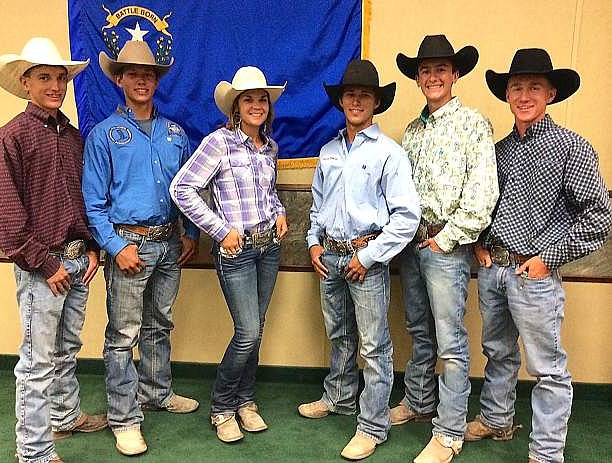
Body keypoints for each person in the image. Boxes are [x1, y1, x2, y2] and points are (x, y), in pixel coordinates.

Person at [466, 48, 612, 463]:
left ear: (550, 93)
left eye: (533, 87)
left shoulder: (572, 148)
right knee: (497, 351)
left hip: (535, 274)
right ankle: (496, 418)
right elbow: (487, 203)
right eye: (516, 87)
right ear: (507, 95)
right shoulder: (498, 151)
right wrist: (481, 240)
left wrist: (550, 257)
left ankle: (546, 452)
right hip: (495, 269)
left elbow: (599, 217)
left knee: (546, 367)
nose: (524, 95)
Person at [81, 39, 200, 456]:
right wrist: (114, 246)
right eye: (132, 73)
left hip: (169, 243)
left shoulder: (175, 134)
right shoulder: (103, 136)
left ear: (157, 80)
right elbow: (93, 202)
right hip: (128, 245)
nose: (141, 80)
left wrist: (191, 234)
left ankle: (156, 391)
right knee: (122, 333)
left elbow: (190, 190)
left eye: (148, 73)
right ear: (118, 79)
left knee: (159, 323)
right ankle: (124, 417)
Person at [0, 37, 108, 463]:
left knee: (66, 347)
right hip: (43, 264)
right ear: (25, 83)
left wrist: (92, 248)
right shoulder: (11, 137)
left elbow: (83, 199)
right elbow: (5, 212)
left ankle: (64, 414)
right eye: (45, 77)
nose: (55, 85)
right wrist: (43, 263)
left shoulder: (74, 139)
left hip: (78, 259)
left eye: (60, 77)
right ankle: (34, 451)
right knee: (38, 360)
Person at [299, 59, 420, 460]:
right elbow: (318, 206)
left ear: (375, 102)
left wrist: (368, 257)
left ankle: (372, 425)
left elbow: (406, 218)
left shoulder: (390, 154)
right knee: (340, 335)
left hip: (365, 258)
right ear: (341, 101)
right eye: (350, 94)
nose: (356, 101)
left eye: (364, 95)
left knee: (373, 344)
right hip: (329, 257)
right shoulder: (329, 151)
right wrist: (314, 243)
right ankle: (339, 397)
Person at [391, 35, 499, 463]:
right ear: (418, 78)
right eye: (425, 70)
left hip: (446, 246)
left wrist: (447, 237)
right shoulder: (412, 131)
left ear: (455, 75)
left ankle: (450, 430)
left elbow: (482, 193)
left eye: (441, 69)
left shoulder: (474, 124)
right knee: (418, 330)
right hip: (413, 242)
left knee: (450, 340)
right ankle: (419, 402)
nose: (433, 77)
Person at [170, 66, 288, 443]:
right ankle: (222, 406)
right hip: (236, 252)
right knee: (247, 331)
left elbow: (266, 193)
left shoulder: (269, 147)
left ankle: (246, 400)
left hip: (268, 247)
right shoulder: (218, 143)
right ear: (236, 107)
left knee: (259, 328)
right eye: (248, 99)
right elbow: (182, 188)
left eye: (262, 99)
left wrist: (281, 211)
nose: (256, 105)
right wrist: (221, 230)